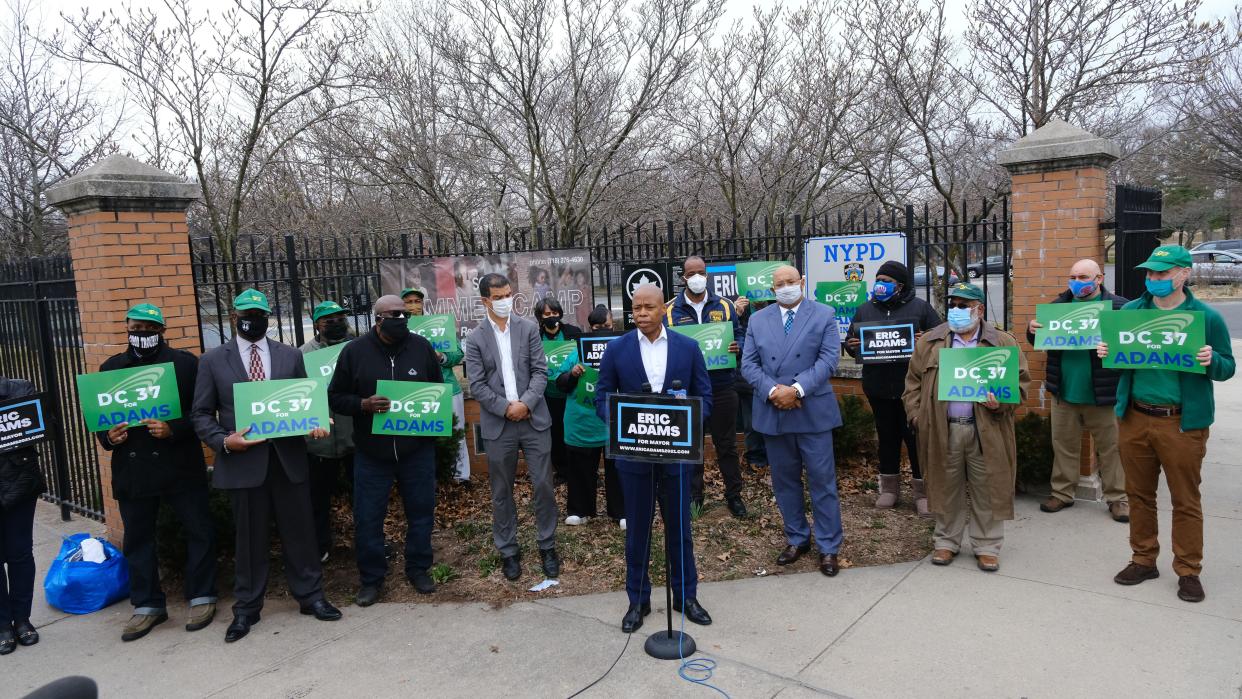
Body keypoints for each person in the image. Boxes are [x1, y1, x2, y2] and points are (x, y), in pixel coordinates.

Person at [191, 288, 341, 643]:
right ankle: (246, 608)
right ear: (233, 317)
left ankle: (311, 597)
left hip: (287, 460)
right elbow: (200, 414)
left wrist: (315, 422)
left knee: (301, 533)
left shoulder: (289, 356)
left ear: (267, 319)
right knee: (249, 539)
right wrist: (224, 441)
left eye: (259, 315)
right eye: (247, 314)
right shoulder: (212, 361)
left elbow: (304, 402)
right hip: (244, 462)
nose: (253, 320)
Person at [1098, 245, 1235, 603]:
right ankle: (1143, 558)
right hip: (1135, 418)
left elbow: (1227, 367)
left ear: (1183, 274)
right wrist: (1106, 353)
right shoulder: (1130, 313)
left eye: (1162, 273)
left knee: (1185, 499)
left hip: (1182, 424)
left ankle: (1188, 570)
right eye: (1150, 273)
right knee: (1139, 495)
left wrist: (1210, 360)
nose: (1154, 279)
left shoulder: (1206, 318)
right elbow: (1119, 362)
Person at [596, 284, 714, 632]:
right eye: (636, 308)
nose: (642, 313)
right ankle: (638, 599)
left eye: (649, 307)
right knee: (637, 533)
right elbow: (602, 395)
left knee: (680, 528)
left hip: (676, 458)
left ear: (665, 309)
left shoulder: (688, 348)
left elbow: (704, 396)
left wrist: (688, 421)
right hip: (634, 458)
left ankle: (686, 596)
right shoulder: (616, 350)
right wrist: (618, 420)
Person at [98, 303, 218, 642]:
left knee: (199, 530)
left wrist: (174, 429)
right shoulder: (111, 368)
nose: (144, 333)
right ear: (127, 329)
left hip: (179, 465)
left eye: (151, 328)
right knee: (138, 540)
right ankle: (148, 604)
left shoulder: (185, 364)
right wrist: (109, 437)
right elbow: (100, 417)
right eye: (138, 327)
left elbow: (202, 412)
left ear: (162, 331)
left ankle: (202, 595)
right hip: (133, 470)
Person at [903, 283, 1030, 573]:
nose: (957, 311)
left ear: (979, 309)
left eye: (964, 305)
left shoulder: (1002, 343)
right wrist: (917, 417)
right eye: (954, 305)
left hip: (986, 428)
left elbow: (1022, 386)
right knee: (946, 487)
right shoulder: (930, 342)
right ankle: (946, 542)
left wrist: (1002, 404)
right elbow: (912, 384)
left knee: (988, 487)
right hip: (942, 429)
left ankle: (987, 546)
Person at [328, 295, 444, 605]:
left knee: (421, 514)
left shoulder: (420, 348)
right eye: (395, 315)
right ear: (378, 319)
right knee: (368, 518)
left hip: (416, 451)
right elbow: (335, 396)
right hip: (371, 453)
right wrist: (362, 405)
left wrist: (431, 431)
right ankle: (371, 579)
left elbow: (437, 390)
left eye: (405, 315)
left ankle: (418, 568)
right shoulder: (354, 352)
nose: (402, 320)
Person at [740, 265, 845, 577]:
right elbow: (748, 363)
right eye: (779, 284)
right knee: (784, 482)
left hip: (810, 410)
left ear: (802, 282)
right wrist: (774, 390)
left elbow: (829, 359)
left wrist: (796, 389)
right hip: (774, 410)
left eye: (790, 281)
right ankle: (797, 538)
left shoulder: (824, 314)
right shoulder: (758, 320)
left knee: (822, 482)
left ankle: (828, 546)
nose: (785, 287)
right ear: (772, 290)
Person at [463, 274, 560, 582]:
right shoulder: (475, 338)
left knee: (544, 485)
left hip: (534, 420)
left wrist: (525, 404)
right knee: (501, 491)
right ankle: (509, 550)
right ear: (485, 301)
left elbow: (540, 372)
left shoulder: (529, 329)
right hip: (499, 425)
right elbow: (476, 384)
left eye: (508, 294)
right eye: (499, 296)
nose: (506, 300)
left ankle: (547, 545)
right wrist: (506, 408)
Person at [1025, 259, 1129, 521]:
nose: (1077, 282)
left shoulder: (1119, 308)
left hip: (1102, 394)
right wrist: (1031, 330)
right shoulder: (1058, 307)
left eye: (1083, 277)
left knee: (1112, 449)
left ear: (1099, 279)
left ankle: (1118, 498)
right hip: (1064, 392)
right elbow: (1039, 339)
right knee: (1064, 446)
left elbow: (1130, 346)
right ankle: (1062, 493)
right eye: (1073, 276)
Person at [844, 261, 942, 514]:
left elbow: (943, 336)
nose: (881, 284)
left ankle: (923, 491)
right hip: (877, 386)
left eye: (887, 280)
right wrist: (852, 345)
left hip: (913, 388)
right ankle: (889, 488)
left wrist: (926, 340)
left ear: (900, 285)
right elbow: (850, 341)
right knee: (887, 438)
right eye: (879, 279)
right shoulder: (865, 309)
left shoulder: (920, 308)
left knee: (915, 438)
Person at [665, 256, 747, 517]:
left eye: (701, 272)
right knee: (693, 447)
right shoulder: (670, 310)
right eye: (691, 273)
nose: (697, 277)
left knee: (727, 445)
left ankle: (734, 496)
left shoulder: (725, 305)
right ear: (683, 278)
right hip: (687, 390)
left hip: (722, 384)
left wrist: (739, 346)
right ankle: (694, 497)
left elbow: (740, 332)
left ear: (707, 274)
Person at [550, 305, 623, 528]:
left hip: (612, 422)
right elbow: (559, 384)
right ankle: (579, 510)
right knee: (580, 469)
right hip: (581, 424)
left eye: (608, 327)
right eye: (597, 327)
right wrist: (572, 374)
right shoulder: (576, 352)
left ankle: (621, 512)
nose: (603, 331)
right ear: (590, 328)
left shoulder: (621, 350)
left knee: (618, 470)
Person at [298, 300, 355, 563]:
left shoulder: (357, 348)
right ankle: (320, 546)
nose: (335, 323)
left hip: (355, 437)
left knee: (363, 498)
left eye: (339, 318)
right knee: (318, 500)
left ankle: (368, 543)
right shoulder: (303, 354)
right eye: (328, 319)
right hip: (319, 442)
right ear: (317, 325)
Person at [405, 287, 470, 482]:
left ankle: (461, 477)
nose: (414, 306)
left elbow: (458, 353)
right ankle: (427, 478)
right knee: (421, 436)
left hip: (448, 387)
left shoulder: (440, 324)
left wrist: (441, 356)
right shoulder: (398, 327)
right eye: (409, 302)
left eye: (417, 301)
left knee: (456, 434)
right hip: (415, 390)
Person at [0, 377, 43, 655]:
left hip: (18, 487)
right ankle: (3, 625)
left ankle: (22, 620)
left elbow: (36, 432)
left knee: (20, 555)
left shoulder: (20, 390)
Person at [535, 296, 583, 487]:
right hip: (548, 394)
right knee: (555, 432)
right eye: (547, 314)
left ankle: (580, 469)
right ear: (540, 316)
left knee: (574, 430)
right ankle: (562, 471)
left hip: (571, 393)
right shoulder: (536, 336)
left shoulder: (573, 332)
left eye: (555, 313)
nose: (552, 316)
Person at [733, 296, 768, 470]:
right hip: (747, 377)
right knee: (751, 421)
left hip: (774, 374)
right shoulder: (740, 310)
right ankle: (756, 458)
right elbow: (729, 337)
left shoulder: (778, 307)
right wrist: (736, 313)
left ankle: (777, 457)